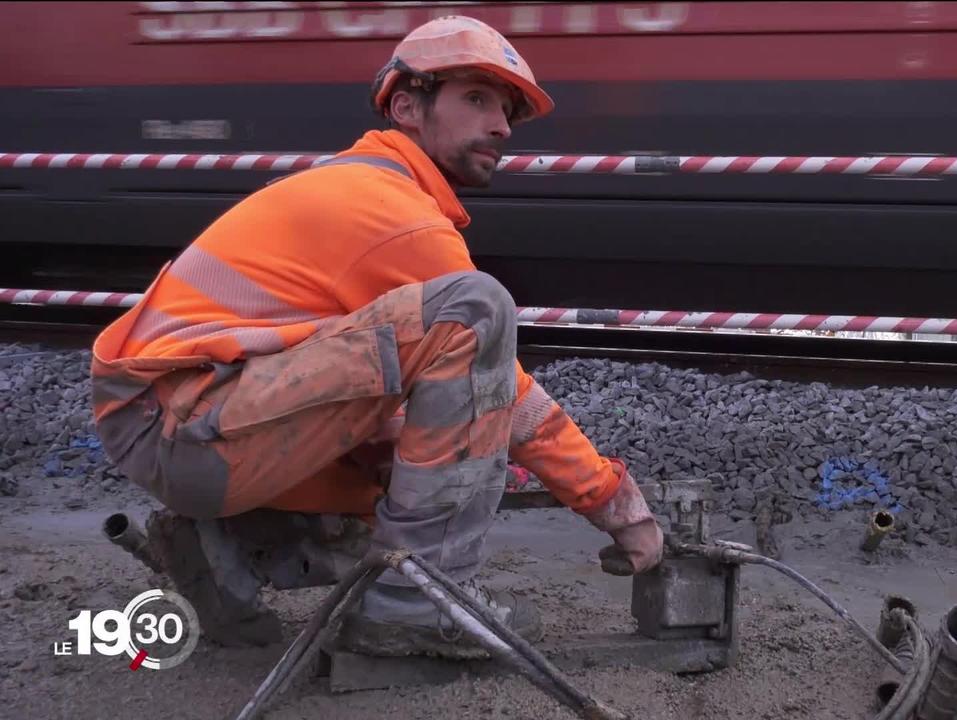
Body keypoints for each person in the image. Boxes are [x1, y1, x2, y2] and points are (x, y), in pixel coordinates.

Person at [89, 16, 663, 657]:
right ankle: (420, 608)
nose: (501, 126)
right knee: (475, 314)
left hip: (178, 424)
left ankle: (225, 548)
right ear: (407, 106)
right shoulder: (385, 210)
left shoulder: (362, 188)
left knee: (423, 441)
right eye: (477, 99)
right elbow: (512, 397)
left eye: (505, 110)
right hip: (188, 427)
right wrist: (615, 503)